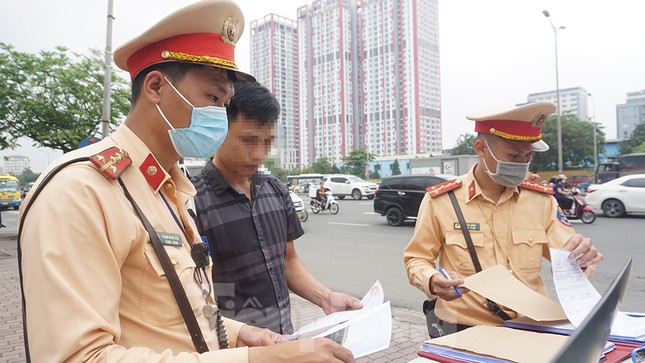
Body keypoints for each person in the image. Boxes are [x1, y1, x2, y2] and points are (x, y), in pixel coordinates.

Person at [18, 1, 354, 362]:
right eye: (212, 97)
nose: (219, 118)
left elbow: (177, 319)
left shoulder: (169, 190)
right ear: (156, 87)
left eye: (225, 105)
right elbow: (79, 357)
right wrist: (258, 360)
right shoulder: (81, 191)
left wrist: (243, 334)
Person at [404, 101, 603, 332]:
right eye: (514, 155)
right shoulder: (441, 201)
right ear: (481, 148)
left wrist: (581, 260)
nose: (522, 164)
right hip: (463, 328)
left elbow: (569, 257)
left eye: (528, 157)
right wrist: (431, 280)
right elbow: (416, 258)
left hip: (530, 326)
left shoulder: (541, 201)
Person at [192, 82, 362, 335]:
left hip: (283, 338)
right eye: (248, 141)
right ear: (220, 132)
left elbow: (287, 261)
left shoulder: (276, 191)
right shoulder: (192, 201)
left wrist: (326, 298)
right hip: (231, 348)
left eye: (268, 141)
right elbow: (192, 293)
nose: (259, 153)